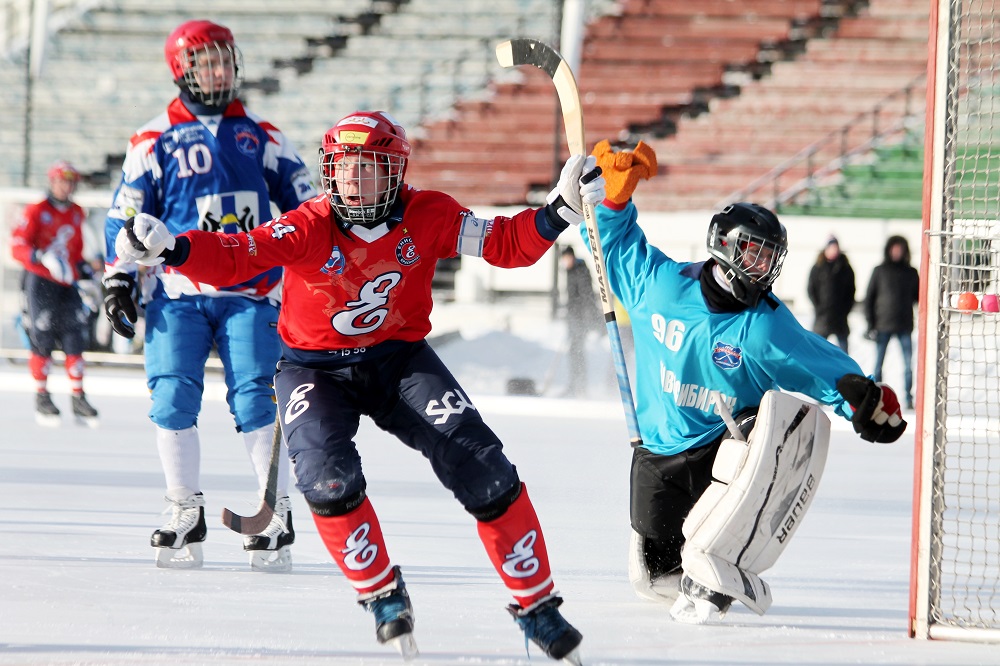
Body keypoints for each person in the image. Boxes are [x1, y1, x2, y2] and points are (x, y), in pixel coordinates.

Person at [110, 110, 604, 662]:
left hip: (399, 360)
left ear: (395, 172)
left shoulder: (430, 213)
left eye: (367, 169)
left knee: (484, 467)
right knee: (326, 480)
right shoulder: (308, 225)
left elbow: (506, 245)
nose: (352, 180)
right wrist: (175, 248)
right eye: (343, 168)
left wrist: (559, 211)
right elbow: (238, 256)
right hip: (314, 371)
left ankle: (536, 605)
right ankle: (380, 594)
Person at [585, 139, 907, 625]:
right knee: (650, 577)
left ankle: (723, 559)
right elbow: (614, 246)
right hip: (656, 448)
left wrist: (863, 397)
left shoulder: (765, 326)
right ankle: (696, 573)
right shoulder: (664, 288)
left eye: (769, 257)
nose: (764, 267)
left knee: (764, 422)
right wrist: (613, 200)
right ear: (723, 246)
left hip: (723, 448)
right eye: (754, 253)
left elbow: (819, 367)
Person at [101, 19, 318, 572]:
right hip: (178, 291)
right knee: (171, 396)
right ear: (182, 70)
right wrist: (119, 276)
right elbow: (124, 217)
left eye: (226, 61)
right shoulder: (152, 140)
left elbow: (305, 205)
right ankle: (183, 509)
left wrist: (315, 262)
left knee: (256, 398)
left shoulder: (265, 136)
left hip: (252, 288)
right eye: (208, 63)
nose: (220, 72)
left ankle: (275, 512)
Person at [10, 160, 100, 427]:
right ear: (52, 182)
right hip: (40, 281)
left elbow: (76, 252)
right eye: (62, 181)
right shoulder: (37, 211)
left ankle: (78, 396)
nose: (67, 187)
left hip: (65, 281)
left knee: (75, 335)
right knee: (43, 336)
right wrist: (39, 256)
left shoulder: (76, 212)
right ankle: (42, 395)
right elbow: (17, 245)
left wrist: (88, 272)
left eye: (71, 182)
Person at [864, 235, 920, 410]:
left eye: (900, 249)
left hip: (904, 325)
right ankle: (876, 396)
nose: (897, 252)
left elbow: (919, 298)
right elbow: (869, 298)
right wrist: (870, 323)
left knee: (908, 365)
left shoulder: (911, 272)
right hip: (883, 324)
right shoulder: (879, 271)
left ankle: (908, 398)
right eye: (894, 249)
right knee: (878, 364)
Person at [559, 245, 599, 397]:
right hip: (573, 317)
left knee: (578, 351)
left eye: (566, 258)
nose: (564, 262)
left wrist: (584, 316)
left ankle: (580, 386)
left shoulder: (580, 271)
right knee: (574, 351)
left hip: (581, 318)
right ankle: (574, 384)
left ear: (572, 257)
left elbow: (586, 295)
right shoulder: (570, 271)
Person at [806, 235, 855, 352]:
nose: (833, 250)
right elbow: (811, 289)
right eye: (831, 247)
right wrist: (819, 308)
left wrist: (845, 310)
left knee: (844, 352)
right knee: (817, 350)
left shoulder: (846, 268)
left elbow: (851, 291)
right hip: (822, 317)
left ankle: (844, 371)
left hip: (840, 318)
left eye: (836, 247)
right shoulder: (818, 267)